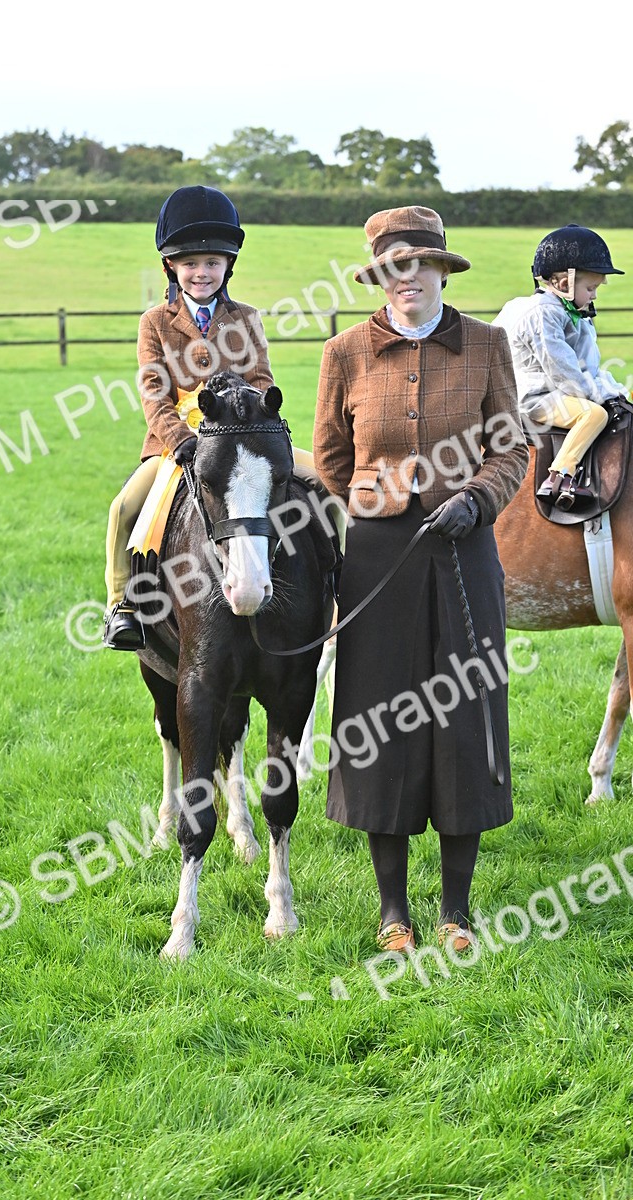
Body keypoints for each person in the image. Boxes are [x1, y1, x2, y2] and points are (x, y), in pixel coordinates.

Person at [313, 206, 528, 955]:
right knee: (381, 724)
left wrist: (476, 499)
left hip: (465, 553)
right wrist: (377, 506)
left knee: (463, 723)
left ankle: (457, 912)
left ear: (441, 270)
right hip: (378, 559)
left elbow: (512, 450)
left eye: (419, 266)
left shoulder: (486, 346)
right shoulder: (343, 353)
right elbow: (333, 461)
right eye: (391, 270)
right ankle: (393, 911)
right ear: (381, 278)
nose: (407, 281)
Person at [103, 185, 274, 649]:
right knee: (125, 509)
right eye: (191, 264)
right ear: (172, 268)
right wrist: (180, 439)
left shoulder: (247, 317)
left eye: (212, 263)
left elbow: (260, 377)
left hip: (240, 437)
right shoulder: (155, 322)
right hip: (175, 443)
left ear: (228, 267)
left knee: (320, 482)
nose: (202, 273)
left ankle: (333, 580)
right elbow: (154, 392)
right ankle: (124, 605)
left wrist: (259, 414)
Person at [493, 224, 626, 509]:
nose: (594, 295)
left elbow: (588, 366)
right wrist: (600, 398)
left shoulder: (574, 315)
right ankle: (559, 476)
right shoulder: (541, 315)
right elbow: (564, 372)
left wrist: (614, 392)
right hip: (532, 399)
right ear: (564, 283)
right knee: (593, 416)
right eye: (590, 288)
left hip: (552, 392)